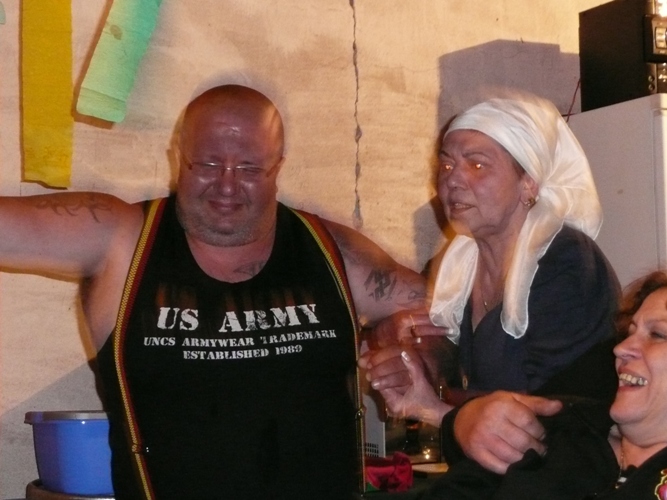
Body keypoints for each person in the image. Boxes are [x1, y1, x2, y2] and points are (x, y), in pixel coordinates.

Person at [0, 84, 427, 499]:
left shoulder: (332, 251)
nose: (226, 185)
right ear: (178, 156)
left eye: (249, 168)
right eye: (207, 164)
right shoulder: (122, 240)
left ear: (278, 167)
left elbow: (443, 313)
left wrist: (402, 343)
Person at [360, 95, 621, 472]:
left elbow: (547, 411)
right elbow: (446, 356)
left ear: (528, 183)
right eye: (446, 163)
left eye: (478, 164)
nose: (452, 179)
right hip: (496, 473)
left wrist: (438, 402)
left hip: (562, 476)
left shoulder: (565, 262)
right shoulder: (455, 267)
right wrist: (410, 354)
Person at [407, 270, 667, 499]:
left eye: (657, 334)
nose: (621, 348)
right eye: (629, 332)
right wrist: (459, 418)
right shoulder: (562, 425)